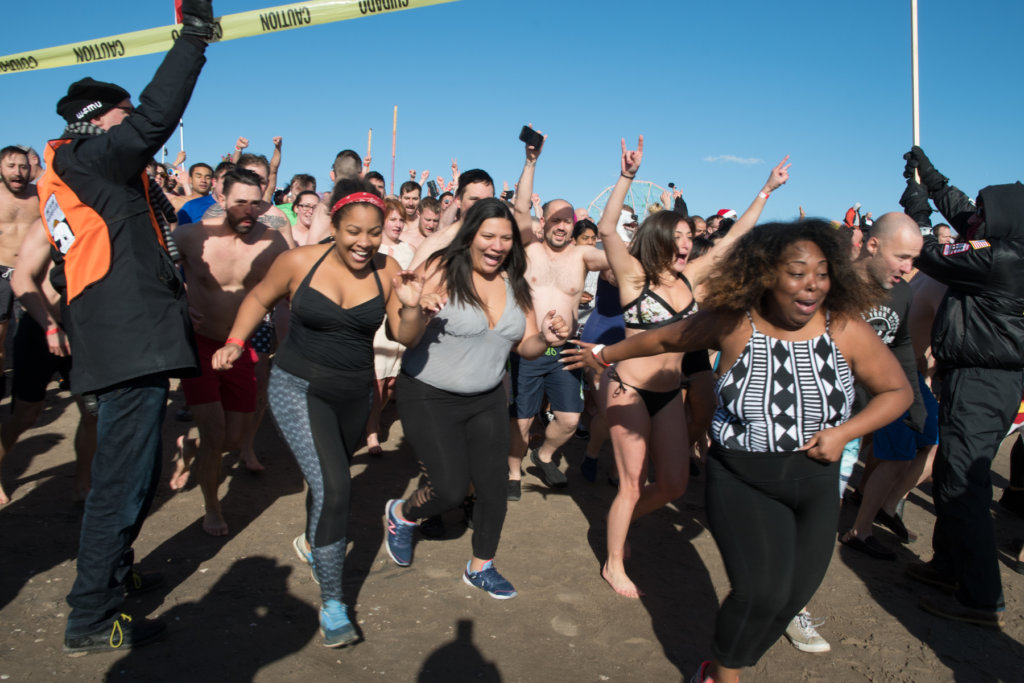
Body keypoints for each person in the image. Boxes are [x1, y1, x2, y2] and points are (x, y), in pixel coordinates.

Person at [565, 220, 911, 683]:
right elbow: (664, 337)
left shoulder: (844, 328)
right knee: (757, 593)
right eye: (797, 272)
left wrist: (846, 432)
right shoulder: (733, 324)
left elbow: (896, 392)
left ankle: (729, 658)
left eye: (823, 273)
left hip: (816, 484)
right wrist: (606, 356)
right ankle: (721, 674)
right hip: (744, 479)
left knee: (792, 596)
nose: (812, 285)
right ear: (767, 274)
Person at [38, 0, 215, 653]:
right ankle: (90, 614)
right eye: (117, 117)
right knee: (123, 476)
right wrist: (194, 38)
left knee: (133, 469)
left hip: (118, 339)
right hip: (124, 345)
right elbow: (153, 118)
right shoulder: (91, 158)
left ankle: (110, 576)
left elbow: (72, 265)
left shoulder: (70, 174)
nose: (127, 127)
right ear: (97, 121)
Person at [212, 179, 424, 646]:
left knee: (325, 481)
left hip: (355, 394)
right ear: (335, 226)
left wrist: (411, 309)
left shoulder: (389, 272)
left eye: (373, 233)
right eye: (354, 231)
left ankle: (312, 542)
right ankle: (333, 604)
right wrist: (234, 341)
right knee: (335, 485)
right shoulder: (297, 262)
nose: (364, 243)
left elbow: (405, 336)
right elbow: (257, 298)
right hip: (297, 387)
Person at [593, 137, 791, 597]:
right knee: (631, 480)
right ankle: (614, 561)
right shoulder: (632, 276)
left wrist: (766, 189)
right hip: (627, 388)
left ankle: (616, 525)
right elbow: (606, 228)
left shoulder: (692, 276)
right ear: (659, 239)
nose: (686, 244)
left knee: (675, 484)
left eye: (688, 237)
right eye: (677, 237)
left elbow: (736, 235)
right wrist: (625, 176)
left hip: (668, 391)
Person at [383, 198, 568, 599]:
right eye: (488, 235)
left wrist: (549, 341)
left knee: (492, 486)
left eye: (505, 238)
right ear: (471, 235)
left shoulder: (515, 284)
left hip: (485, 398)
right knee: (449, 490)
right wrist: (415, 309)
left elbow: (527, 346)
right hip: (429, 394)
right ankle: (402, 514)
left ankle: (481, 565)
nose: (497, 245)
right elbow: (405, 336)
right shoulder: (442, 269)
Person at [899, 146, 1024, 628]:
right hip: (982, 379)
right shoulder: (1009, 246)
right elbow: (966, 216)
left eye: (988, 211)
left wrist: (914, 205)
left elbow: (929, 253)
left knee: (964, 483)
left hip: (982, 379)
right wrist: (930, 179)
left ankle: (980, 598)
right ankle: (949, 566)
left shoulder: (1001, 260)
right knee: (955, 469)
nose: (978, 216)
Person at [169, 169, 289, 536]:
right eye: (240, 202)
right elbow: (159, 277)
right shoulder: (191, 237)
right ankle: (213, 507)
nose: (248, 211)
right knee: (214, 431)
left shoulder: (274, 245)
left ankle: (190, 447)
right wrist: (178, 304)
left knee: (234, 440)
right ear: (221, 199)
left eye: (255, 203)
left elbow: (285, 299)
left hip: (241, 347)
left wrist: (283, 345)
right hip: (201, 344)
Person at [839, 213, 926, 559]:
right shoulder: (834, 285)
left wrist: (914, 403)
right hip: (807, 417)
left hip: (853, 424)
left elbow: (901, 347)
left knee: (821, 510)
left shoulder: (902, 293)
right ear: (872, 246)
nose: (907, 268)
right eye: (902, 257)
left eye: (913, 260)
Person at [2, 219, 96, 505]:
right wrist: (50, 327)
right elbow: (21, 278)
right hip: (41, 329)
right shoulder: (48, 224)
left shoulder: (100, 223)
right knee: (26, 414)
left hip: (84, 333)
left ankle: (83, 484)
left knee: (93, 412)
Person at [366, 197, 415, 455]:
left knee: (392, 382)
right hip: (377, 322)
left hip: (401, 321)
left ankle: (370, 421)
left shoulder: (409, 250)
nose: (397, 224)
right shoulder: (371, 248)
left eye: (400, 220)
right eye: (392, 219)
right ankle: (372, 432)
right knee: (377, 380)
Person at [0, 145, 40, 388]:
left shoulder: (41, 195)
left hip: (31, 274)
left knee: (31, 336)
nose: (18, 172)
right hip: (0, 272)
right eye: (11, 166)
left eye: (23, 167)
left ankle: (29, 387)